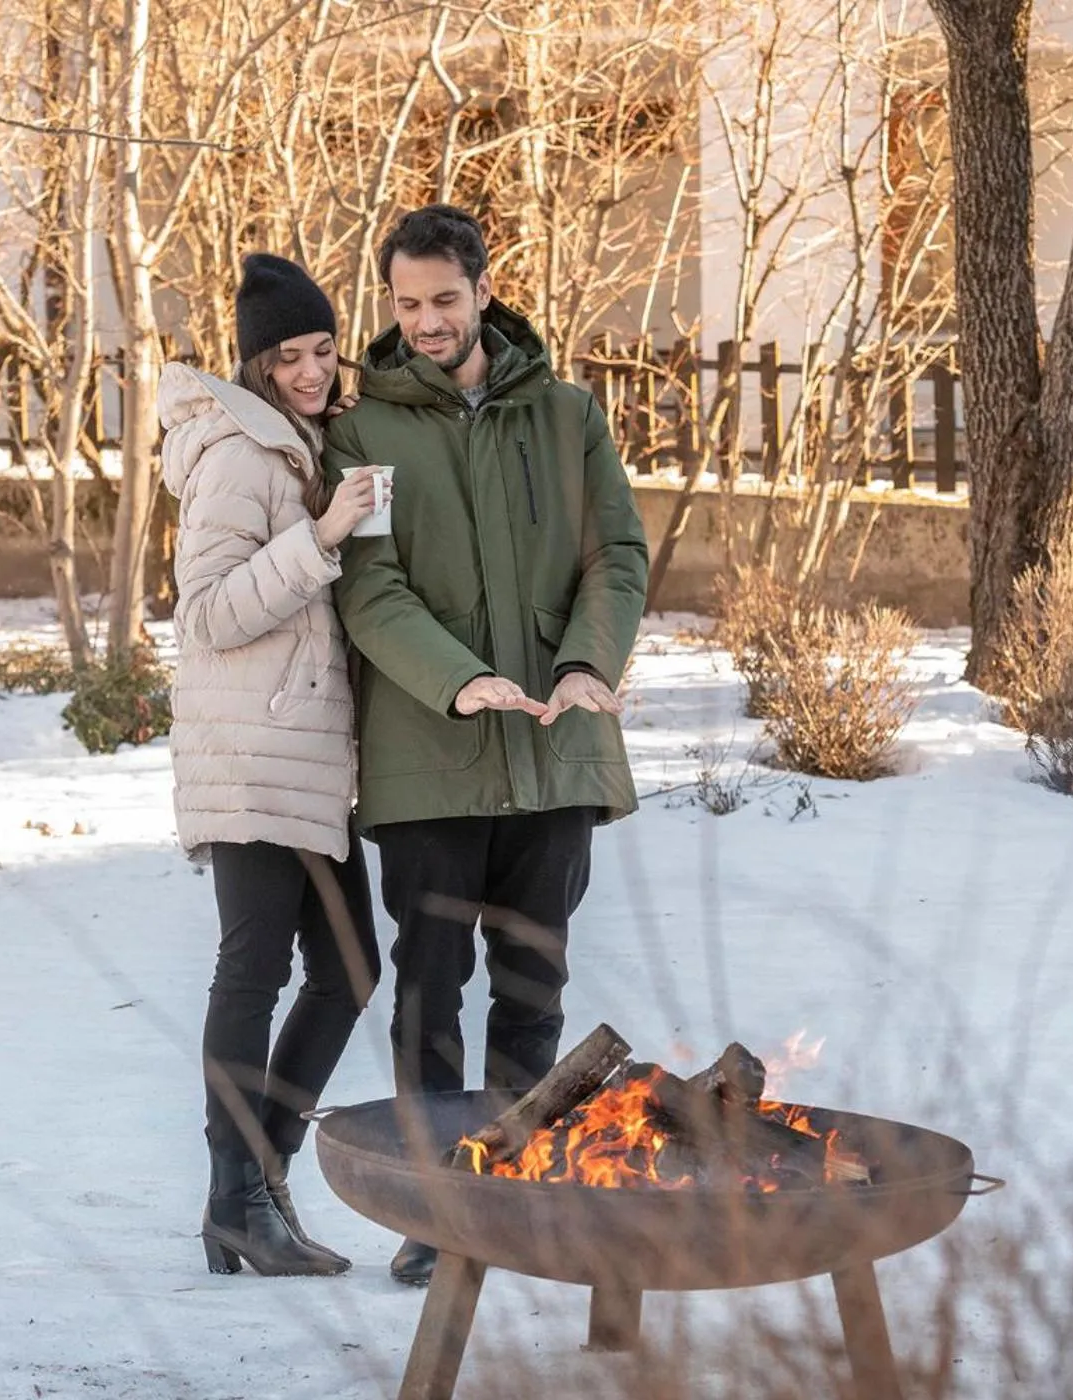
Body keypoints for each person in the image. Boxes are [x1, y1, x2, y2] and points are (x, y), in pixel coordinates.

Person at [324, 205, 649, 1285]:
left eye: (443, 301)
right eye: (406, 303)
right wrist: (460, 683)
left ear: (482, 292)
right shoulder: (363, 430)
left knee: (534, 979)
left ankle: (518, 1190)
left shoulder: (566, 414)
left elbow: (615, 553)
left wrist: (584, 665)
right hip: (430, 758)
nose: (424, 321)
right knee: (430, 985)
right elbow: (370, 587)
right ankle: (440, 1204)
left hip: (556, 746)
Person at [158, 253, 386, 1277]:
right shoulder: (240, 456)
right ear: (253, 363)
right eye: (287, 354)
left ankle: (260, 1179)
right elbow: (205, 612)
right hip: (251, 749)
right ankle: (234, 1198)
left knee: (348, 967)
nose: (309, 369)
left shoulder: (299, 445)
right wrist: (324, 538)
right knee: (254, 967)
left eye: (322, 348)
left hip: (297, 755)